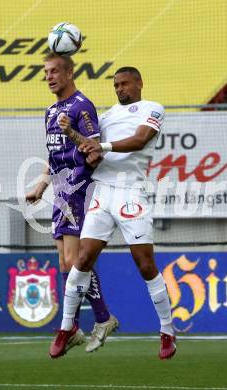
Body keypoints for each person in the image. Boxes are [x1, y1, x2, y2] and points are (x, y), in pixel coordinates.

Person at [50, 66, 176, 360]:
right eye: (116, 85)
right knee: (82, 259)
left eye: (125, 84)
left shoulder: (152, 109)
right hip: (102, 192)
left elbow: (140, 140)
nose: (120, 89)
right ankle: (67, 326)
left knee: (145, 264)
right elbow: (90, 147)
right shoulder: (104, 116)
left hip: (131, 191)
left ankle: (167, 330)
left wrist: (101, 145)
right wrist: (72, 133)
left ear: (139, 83)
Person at [26, 52, 118, 357]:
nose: (49, 76)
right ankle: (89, 322)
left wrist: (72, 132)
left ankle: (95, 320)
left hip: (81, 188)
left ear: (68, 73)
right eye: (46, 72)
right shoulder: (50, 111)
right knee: (67, 264)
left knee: (77, 260)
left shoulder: (82, 106)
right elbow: (53, 157)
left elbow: (94, 152)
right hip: (61, 191)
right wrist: (41, 184)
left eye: (53, 71)